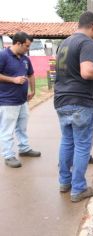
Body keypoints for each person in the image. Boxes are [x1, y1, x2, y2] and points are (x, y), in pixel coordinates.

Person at [54, 11, 93, 202]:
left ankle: (64, 182)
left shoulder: (65, 43)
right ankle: (78, 189)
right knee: (81, 146)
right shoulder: (87, 42)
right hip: (80, 102)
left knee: (67, 142)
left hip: (61, 100)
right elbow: (87, 72)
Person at [0, 32, 41, 168]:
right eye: (26, 46)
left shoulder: (25, 58)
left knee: (22, 127)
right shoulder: (3, 56)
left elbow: (31, 74)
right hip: (8, 101)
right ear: (18, 43)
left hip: (22, 100)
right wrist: (13, 79)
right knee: (7, 129)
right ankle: (8, 155)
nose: (28, 49)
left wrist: (33, 90)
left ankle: (24, 148)